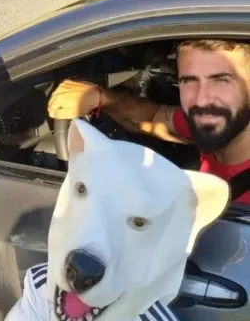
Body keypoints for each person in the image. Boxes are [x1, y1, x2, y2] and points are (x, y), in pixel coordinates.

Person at [47, 39, 250, 204]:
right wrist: (102, 98)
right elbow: (155, 118)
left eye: (221, 80)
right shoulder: (217, 124)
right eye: (189, 81)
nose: (201, 99)